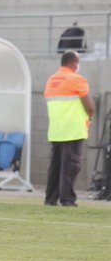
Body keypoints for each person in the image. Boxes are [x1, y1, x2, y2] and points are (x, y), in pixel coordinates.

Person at [43, 50, 95, 207]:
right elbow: (90, 106)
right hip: (73, 129)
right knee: (71, 166)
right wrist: (90, 117)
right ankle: (68, 199)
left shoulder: (51, 80)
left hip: (56, 130)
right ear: (73, 64)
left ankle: (50, 199)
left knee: (56, 167)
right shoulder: (76, 79)